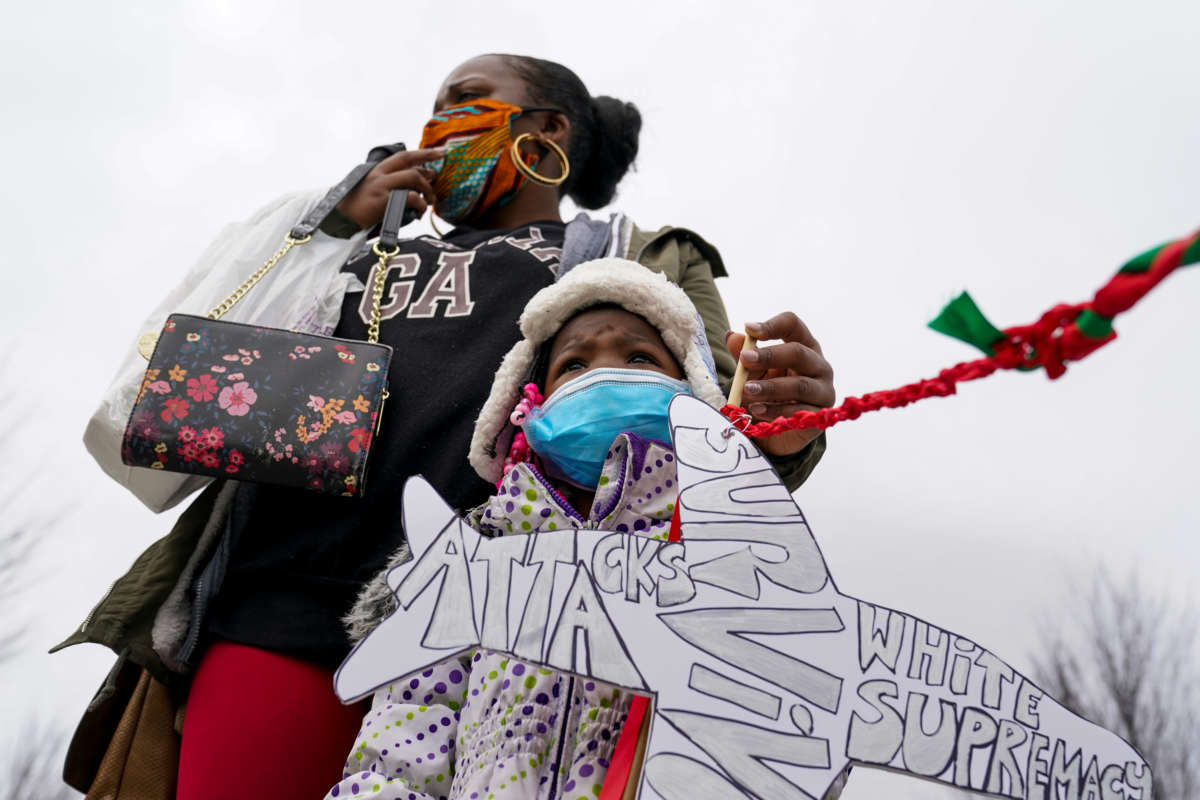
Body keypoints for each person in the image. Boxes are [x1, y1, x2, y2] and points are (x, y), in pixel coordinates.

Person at [56, 54, 837, 799]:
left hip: (505, 626)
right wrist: (329, 229)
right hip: (283, 602)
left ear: (547, 129)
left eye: (460, 100)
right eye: (428, 113)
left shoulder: (640, 256)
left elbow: (719, 415)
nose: (433, 127)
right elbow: (173, 388)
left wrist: (781, 425)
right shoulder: (360, 248)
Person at [326, 258, 727, 800]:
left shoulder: (720, 555)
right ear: (527, 408)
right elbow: (408, 732)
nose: (604, 375)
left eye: (638, 357)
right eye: (574, 365)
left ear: (692, 390)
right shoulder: (473, 561)